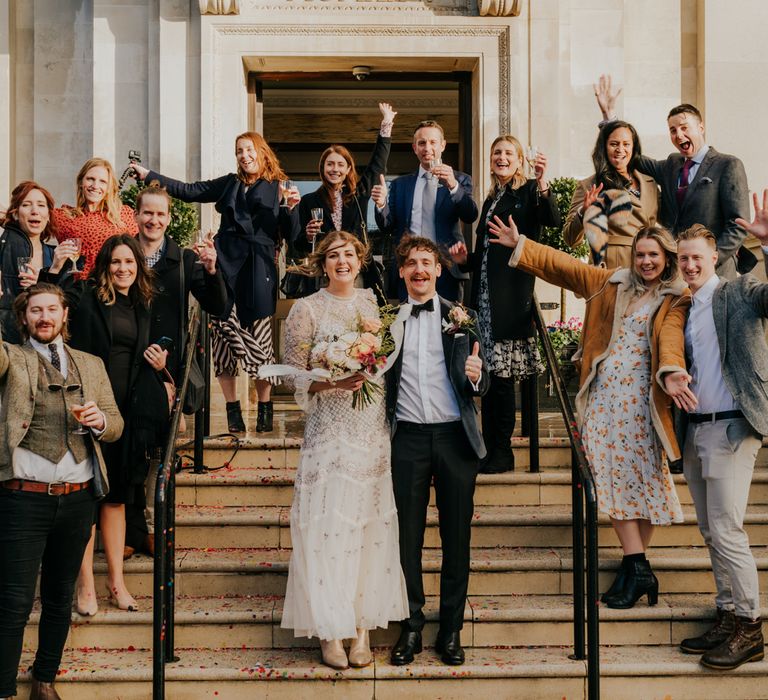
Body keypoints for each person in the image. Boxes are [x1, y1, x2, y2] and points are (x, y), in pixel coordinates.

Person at [489, 220, 692, 609]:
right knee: (610, 476)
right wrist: (523, 244)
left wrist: (673, 372)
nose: (646, 261)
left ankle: (636, 567)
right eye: (641, 254)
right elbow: (567, 267)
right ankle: (636, 566)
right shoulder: (612, 282)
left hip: (642, 404)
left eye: (654, 255)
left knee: (641, 479)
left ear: (667, 258)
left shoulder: (676, 297)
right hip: (603, 399)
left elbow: (671, 339)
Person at [280, 230, 408, 670]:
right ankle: (330, 631)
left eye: (349, 254)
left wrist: (365, 366)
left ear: (360, 259)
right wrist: (334, 379)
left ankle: (361, 630)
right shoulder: (305, 309)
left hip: (369, 431)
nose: (342, 261)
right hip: (328, 431)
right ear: (322, 264)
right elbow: (293, 377)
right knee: (327, 527)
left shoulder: (376, 305)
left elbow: (387, 364)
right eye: (333, 255)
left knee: (365, 528)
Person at [0, 283, 123, 700]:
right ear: (24, 318)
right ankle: (2, 689)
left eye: (52, 309)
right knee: (14, 601)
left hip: (78, 497)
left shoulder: (90, 364)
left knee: (58, 597)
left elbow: (117, 424)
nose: (45, 317)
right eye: (36, 311)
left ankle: (44, 679)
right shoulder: (12, 358)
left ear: (65, 314)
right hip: (23, 498)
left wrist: (100, 422)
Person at [133, 133, 300, 434]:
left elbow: (292, 235)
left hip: (259, 267)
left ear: (262, 152)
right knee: (223, 335)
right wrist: (150, 176)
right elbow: (190, 190)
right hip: (225, 264)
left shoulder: (280, 187)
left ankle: (264, 406)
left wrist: (290, 207)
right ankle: (232, 408)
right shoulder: (229, 184)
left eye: (249, 149)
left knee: (261, 336)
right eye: (239, 151)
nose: (244, 155)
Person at [386, 235, 489, 667]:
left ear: (439, 270)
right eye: (411, 264)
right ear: (402, 272)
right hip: (406, 437)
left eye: (427, 263)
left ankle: (450, 630)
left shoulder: (460, 317)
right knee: (406, 539)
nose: (420, 270)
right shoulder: (385, 320)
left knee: (456, 539)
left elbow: (485, 381)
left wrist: (478, 376)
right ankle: (411, 626)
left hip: (454, 438)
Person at [672, 216, 768, 671]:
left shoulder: (738, 292)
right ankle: (728, 613)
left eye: (696, 257)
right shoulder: (685, 307)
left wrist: (767, 247)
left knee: (728, 530)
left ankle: (750, 627)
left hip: (732, 426)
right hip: (697, 429)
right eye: (683, 258)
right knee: (712, 532)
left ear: (715, 258)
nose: (689, 264)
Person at [57, 234, 171, 616]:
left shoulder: (141, 304)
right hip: (90, 410)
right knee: (89, 501)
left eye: (130, 263)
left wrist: (159, 363)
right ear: (105, 266)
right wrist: (56, 266)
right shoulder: (86, 296)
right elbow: (52, 301)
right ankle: (85, 585)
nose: (123, 269)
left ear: (138, 267)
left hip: (126, 414)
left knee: (118, 498)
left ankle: (117, 584)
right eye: (116, 263)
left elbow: (142, 356)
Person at [124, 182, 228, 557]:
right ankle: (128, 530)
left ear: (169, 219)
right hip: (126, 364)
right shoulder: (123, 253)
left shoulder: (182, 259)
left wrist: (213, 271)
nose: (153, 219)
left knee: (157, 453)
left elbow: (217, 305)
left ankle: (152, 527)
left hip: (165, 367)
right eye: (147, 212)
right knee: (128, 449)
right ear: (136, 215)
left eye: (160, 214)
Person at [448, 135, 559, 473]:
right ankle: (488, 449)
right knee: (487, 378)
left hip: (509, 301)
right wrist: (466, 260)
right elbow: (486, 254)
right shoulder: (493, 198)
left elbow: (550, 220)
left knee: (500, 382)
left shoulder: (527, 193)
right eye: (496, 152)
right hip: (483, 301)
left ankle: (503, 453)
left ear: (520, 159)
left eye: (508, 153)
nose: (501, 157)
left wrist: (542, 183)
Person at [594, 74, 753, 277]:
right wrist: (609, 120)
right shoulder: (671, 164)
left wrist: (710, 258)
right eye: (673, 130)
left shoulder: (728, 165)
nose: (678, 135)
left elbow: (738, 225)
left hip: (716, 272)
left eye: (684, 128)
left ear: (701, 127)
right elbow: (630, 156)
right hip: (677, 272)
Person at [292, 102, 396, 300]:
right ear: (322, 168)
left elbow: (377, 164)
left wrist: (386, 125)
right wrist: (307, 235)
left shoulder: (359, 194)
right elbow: (299, 245)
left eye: (341, 164)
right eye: (330, 164)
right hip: (323, 273)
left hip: (356, 270)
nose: (335, 169)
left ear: (348, 169)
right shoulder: (309, 201)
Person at [373, 120, 478, 301]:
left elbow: (470, 215)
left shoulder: (460, 179)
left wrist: (453, 185)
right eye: (422, 143)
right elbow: (387, 226)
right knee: (409, 326)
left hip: (447, 268)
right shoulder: (400, 184)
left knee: (449, 327)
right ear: (415, 148)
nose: (427, 147)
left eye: (432, 142)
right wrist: (381, 204)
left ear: (442, 145)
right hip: (410, 269)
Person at [563, 120, 659, 268]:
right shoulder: (589, 185)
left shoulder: (650, 183)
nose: (620, 149)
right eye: (614, 144)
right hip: (611, 266)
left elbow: (668, 222)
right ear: (604, 148)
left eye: (626, 144)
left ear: (633, 148)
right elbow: (570, 239)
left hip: (647, 265)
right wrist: (583, 212)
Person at [0, 182, 77, 344]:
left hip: (48, 342)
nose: (35, 211)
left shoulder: (58, 256)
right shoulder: (4, 247)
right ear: (15, 214)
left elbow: (68, 304)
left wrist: (51, 272)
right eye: (26, 205)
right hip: (10, 340)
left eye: (41, 205)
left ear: (48, 216)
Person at [52, 158, 138, 276]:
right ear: (81, 182)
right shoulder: (63, 216)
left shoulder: (124, 215)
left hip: (113, 283)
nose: (95, 185)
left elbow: (140, 249)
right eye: (90, 179)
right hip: (77, 287)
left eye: (102, 181)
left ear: (109, 188)